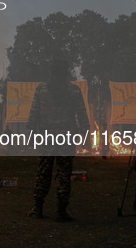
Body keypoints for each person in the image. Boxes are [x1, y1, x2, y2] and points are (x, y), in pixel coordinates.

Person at [26, 59, 89, 222]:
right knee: (64, 175)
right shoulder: (73, 90)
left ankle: (38, 208)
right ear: (65, 72)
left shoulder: (41, 89)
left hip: (47, 138)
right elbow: (82, 115)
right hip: (66, 139)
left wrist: (31, 133)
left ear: (51, 72)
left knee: (43, 173)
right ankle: (61, 211)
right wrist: (85, 135)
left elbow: (34, 113)